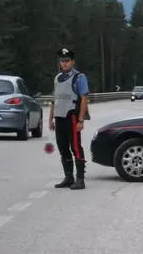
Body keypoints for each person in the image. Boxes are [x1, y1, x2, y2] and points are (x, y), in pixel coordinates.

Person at [50, 47, 90, 190]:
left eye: (67, 61)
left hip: (72, 117)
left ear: (72, 62)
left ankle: (80, 179)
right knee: (63, 148)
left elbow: (84, 99)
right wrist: (51, 119)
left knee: (76, 148)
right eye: (62, 61)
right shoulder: (57, 78)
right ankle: (68, 177)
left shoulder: (79, 77)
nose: (64, 63)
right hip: (59, 118)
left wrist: (81, 120)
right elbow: (55, 99)